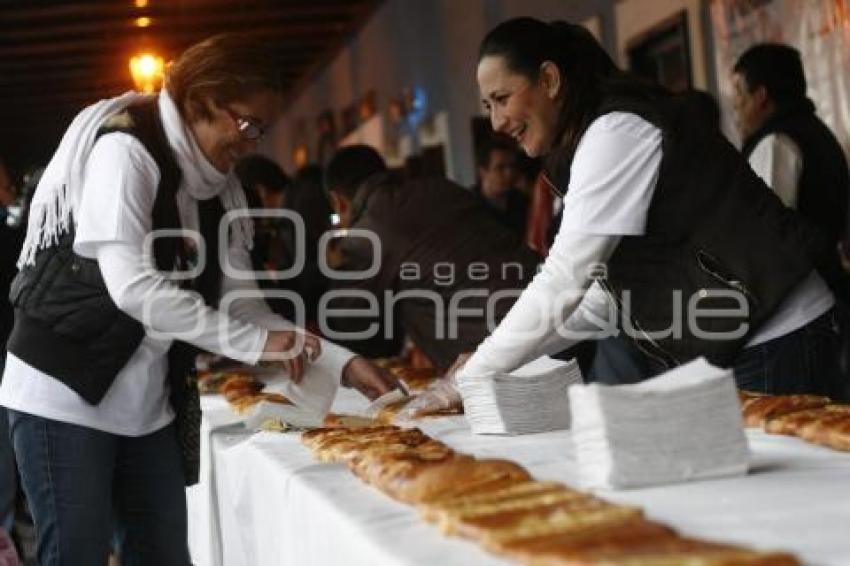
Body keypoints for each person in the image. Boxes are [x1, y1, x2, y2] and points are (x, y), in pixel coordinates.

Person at [0, 34, 395, 565]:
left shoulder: (221, 192)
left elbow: (244, 307)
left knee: (164, 556)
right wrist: (256, 341)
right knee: (75, 555)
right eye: (246, 123)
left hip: (146, 406)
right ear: (200, 102)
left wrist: (342, 363)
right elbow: (133, 288)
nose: (253, 141)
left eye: (262, 128)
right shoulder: (125, 152)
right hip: (64, 394)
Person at [437, 18, 844, 401]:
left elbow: (564, 279)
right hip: (751, 338)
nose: (496, 121)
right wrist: (488, 362)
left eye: (502, 99)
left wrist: (471, 378)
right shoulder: (586, 143)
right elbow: (601, 297)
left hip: (779, 334)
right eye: (487, 106)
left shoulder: (616, 131)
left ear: (549, 79)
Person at [323, 144, 542, 372]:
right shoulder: (442, 186)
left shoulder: (368, 234)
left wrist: (337, 267)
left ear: (339, 201)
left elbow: (346, 325)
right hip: (548, 309)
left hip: (498, 351)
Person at [732, 43, 850, 303]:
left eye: (739, 95)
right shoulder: (818, 133)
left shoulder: (776, 144)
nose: (735, 108)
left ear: (761, 96)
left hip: (800, 305)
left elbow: (763, 243)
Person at [473, 137, 529, 237]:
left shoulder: (521, 199)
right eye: (500, 167)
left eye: (511, 166)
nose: (509, 173)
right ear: (483, 172)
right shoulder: (470, 203)